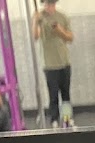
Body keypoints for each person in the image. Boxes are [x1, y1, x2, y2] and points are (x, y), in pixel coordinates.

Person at [32, 0, 74, 128]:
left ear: (54, 4)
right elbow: (35, 36)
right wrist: (35, 21)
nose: (48, 7)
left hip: (64, 62)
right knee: (53, 95)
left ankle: (67, 118)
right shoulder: (39, 17)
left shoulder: (62, 17)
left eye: (50, 4)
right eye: (46, 4)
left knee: (66, 95)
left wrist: (60, 30)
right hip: (49, 65)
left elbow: (70, 38)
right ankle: (54, 119)